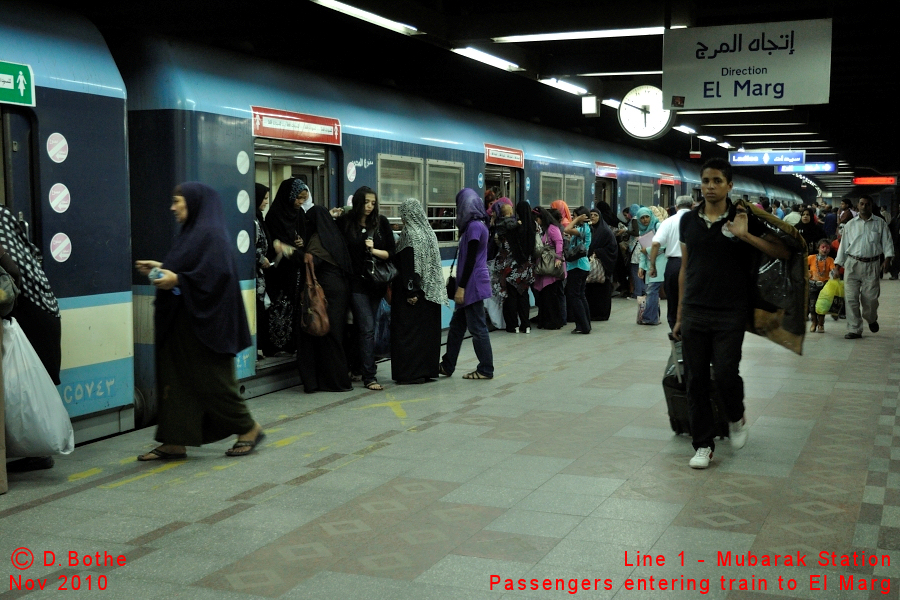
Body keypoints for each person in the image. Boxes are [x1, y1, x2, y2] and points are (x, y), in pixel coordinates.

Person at [674, 158, 790, 469]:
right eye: (705, 181)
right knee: (695, 379)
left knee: (725, 371)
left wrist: (745, 236)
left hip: (730, 311)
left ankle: (736, 417)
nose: (710, 186)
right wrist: (680, 314)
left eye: (716, 181)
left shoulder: (746, 218)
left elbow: (784, 250)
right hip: (695, 309)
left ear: (729, 185)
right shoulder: (688, 221)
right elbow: (686, 268)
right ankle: (703, 444)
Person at [135, 182, 264, 460]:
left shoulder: (211, 235)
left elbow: (216, 278)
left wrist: (178, 280)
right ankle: (174, 439)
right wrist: (161, 269)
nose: (172, 207)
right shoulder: (193, 234)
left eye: (177, 201)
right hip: (184, 323)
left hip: (205, 326)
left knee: (213, 380)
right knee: (176, 380)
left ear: (194, 203)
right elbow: (195, 270)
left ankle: (248, 428)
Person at [0, 205, 62, 473]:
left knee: (30, 391)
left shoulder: (8, 254)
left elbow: (11, 280)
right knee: (35, 389)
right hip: (46, 314)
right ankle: (38, 449)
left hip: (34, 319)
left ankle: (39, 452)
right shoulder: (23, 249)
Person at [336, 186, 395, 391]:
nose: (370, 206)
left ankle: (359, 368)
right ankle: (369, 376)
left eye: (373, 202)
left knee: (367, 329)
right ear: (358, 203)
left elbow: (391, 253)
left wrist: (373, 250)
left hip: (376, 284)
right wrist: (334, 213)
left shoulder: (381, 223)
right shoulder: (347, 222)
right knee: (367, 328)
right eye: (366, 202)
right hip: (356, 285)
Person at [391, 198, 447, 383]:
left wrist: (411, 291)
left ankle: (410, 373)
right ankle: (427, 370)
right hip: (431, 293)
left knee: (408, 334)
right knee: (427, 336)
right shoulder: (429, 233)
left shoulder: (409, 233)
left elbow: (409, 265)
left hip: (413, 294)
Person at [440, 188, 494, 380]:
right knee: (456, 327)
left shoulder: (473, 228)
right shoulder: (478, 225)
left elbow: (470, 259)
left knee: (478, 328)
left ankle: (486, 368)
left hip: (472, 284)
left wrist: (461, 287)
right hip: (471, 282)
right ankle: (448, 365)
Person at [834, 195, 894, 339]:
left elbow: (887, 242)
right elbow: (843, 246)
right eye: (861, 204)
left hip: (872, 265)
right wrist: (837, 265)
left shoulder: (880, 223)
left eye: (867, 204)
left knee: (870, 299)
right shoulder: (850, 224)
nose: (864, 206)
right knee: (851, 298)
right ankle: (854, 329)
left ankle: (871, 318)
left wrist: (887, 259)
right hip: (852, 264)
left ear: (871, 206)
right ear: (857, 205)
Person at [264, 178, 307, 353]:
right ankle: (276, 344)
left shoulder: (300, 214)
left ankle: (293, 343)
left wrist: (300, 243)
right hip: (279, 271)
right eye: (298, 198)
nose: (300, 202)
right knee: (279, 306)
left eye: (304, 198)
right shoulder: (274, 215)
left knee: (295, 306)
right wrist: (291, 249)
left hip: (296, 270)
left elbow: (304, 239)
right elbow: (272, 244)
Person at [648, 195, 691, 330]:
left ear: (676, 207)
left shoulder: (668, 222)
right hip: (694, 265)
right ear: (692, 206)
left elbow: (655, 244)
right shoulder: (698, 221)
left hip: (674, 265)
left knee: (673, 302)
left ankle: (676, 336)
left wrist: (652, 265)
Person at [492, 199, 534, 333]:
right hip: (525, 267)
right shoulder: (532, 226)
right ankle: (526, 325)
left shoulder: (509, 227)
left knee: (511, 296)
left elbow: (500, 243)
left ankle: (513, 325)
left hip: (509, 267)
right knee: (523, 295)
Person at [531, 206, 566, 330]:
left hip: (551, 266)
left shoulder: (552, 228)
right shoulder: (544, 229)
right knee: (546, 295)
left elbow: (559, 243)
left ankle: (553, 321)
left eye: (538, 218)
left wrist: (558, 259)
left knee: (550, 295)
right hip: (545, 266)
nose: (537, 221)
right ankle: (547, 320)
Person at [564, 206, 592, 334]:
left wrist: (577, 220)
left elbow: (567, 229)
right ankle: (586, 324)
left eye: (575, 216)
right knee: (581, 295)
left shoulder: (582, 229)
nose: (573, 218)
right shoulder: (587, 228)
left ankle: (583, 326)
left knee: (575, 296)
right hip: (583, 265)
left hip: (577, 266)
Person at [585, 207, 617, 321]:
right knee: (590, 291)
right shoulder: (588, 229)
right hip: (590, 267)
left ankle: (601, 314)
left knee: (601, 292)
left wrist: (598, 252)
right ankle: (591, 313)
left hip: (602, 268)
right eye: (591, 214)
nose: (593, 217)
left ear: (600, 217)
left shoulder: (605, 231)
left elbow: (612, 249)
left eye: (595, 215)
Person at [635, 207, 664, 325]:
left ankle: (649, 318)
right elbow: (643, 252)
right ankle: (654, 316)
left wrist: (646, 249)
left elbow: (664, 245)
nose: (645, 220)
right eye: (642, 218)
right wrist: (641, 267)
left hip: (660, 262)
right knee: (652, 291)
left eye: (647, 217)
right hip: (649, 264)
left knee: (652, 290)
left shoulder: (658, 226)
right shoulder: (643, 231)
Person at [254, 183, 273, 359]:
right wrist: (261, 259)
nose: (266, 202)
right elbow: (250, 247)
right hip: (255, 275)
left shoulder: (259, 218)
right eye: (265, 198)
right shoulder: (252, 221)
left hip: (260, 275)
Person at [808, 239, 835, 333]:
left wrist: (835, 273)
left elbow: (833, 270)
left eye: (827, 248)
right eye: (823, 247)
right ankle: (814, 323)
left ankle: (821, 324)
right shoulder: (811, 258)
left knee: (822, 306)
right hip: (812, 285)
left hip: (824, 286)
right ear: (818, 248)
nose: (825, 249)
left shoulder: (830, 260)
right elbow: (802, 266)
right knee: (812, 306)